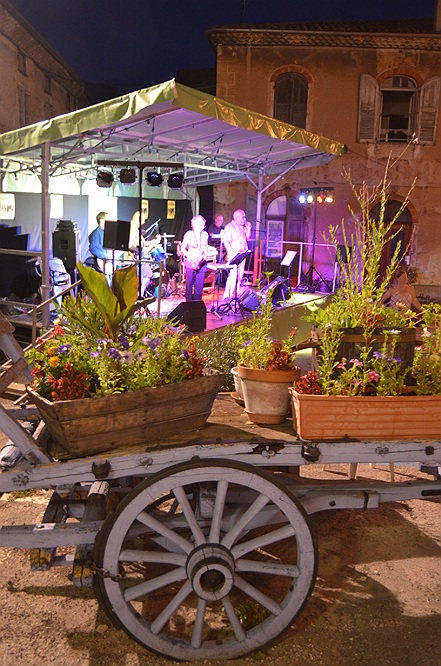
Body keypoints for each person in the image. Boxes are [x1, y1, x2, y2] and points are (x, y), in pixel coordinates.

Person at [222, 209, 251, 301]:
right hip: (234, 254)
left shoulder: (242, 227)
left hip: (242, 254)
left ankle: (236, 293)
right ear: (237, 217)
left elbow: (247, 238)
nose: (244, 219)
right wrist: (231, 253)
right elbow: (226, 241)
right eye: (243, 217)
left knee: (240, 275)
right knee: (233, 275)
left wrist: (249, 229)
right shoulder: (229, 227)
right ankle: (227, 295)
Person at [181, 215, 209, 301]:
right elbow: (182, 248)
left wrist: (204, 253)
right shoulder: (189, 234)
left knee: (199, 286)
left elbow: (205, 246)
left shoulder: (205, 234)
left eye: (203, 225)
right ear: (194, 224)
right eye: (201, 225)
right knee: (189, 285)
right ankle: (189, 304)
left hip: (201, 262)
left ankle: (197, 303)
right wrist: (190, 256)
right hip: (191, 261)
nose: (203, 227)